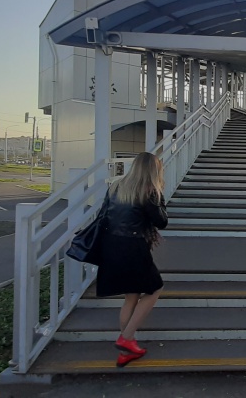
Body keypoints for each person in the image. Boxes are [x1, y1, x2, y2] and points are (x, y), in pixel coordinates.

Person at [95, 152, 168, 367]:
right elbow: (161, 222)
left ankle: (128, 349)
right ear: (154, 170)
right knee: (155, 289)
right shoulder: (149, 191)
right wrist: (160, 198)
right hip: (133, 248)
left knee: (131, 297)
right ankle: (126, 338)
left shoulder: (116, 186)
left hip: (112, 246)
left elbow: (104, 215)